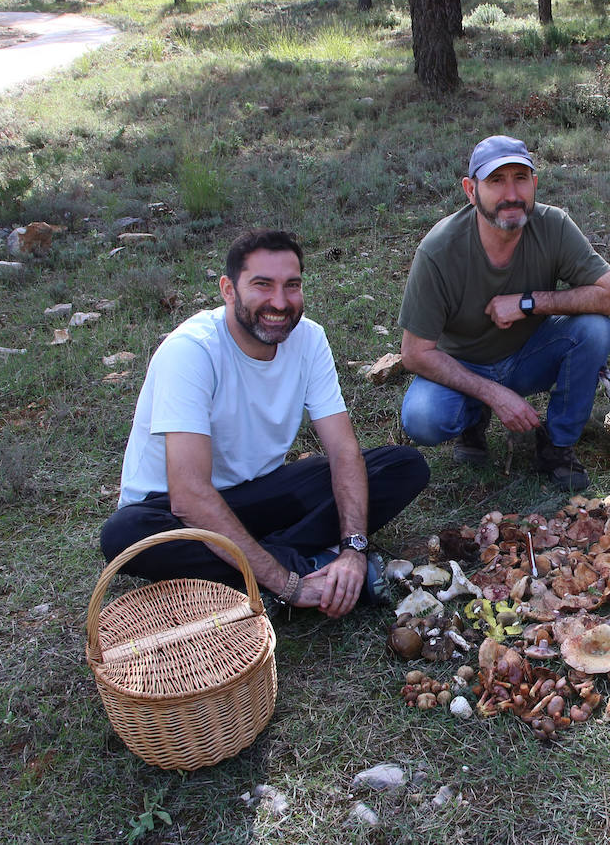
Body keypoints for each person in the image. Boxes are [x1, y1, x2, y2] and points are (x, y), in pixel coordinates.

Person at [100, 229, 429, 618]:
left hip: (256, 495)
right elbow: (188, 496)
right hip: (174, 512)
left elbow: (342, 450)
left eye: (292, 286)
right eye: (262, 285)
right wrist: (288, 582)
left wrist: (355, 548)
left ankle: (247, 574)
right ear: (228, 289)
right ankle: (299, 568)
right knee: (124, 535)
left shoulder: (308, 339)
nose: (280, 301)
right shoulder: (191, 350)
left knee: (401, 467)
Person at [396, 135, 610, 492]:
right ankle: (472, 419)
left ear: (534, 183)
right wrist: (493, 394)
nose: (511, 194)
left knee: (595, 328)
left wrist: (529, 302)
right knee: (423, 418)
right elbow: (414, 353)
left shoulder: (552, 225)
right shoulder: (438, 250)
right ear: (471, 190)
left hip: (528, 354)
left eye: (520, 178)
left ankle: (557, 444)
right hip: (464, 363)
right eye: (496, 181)